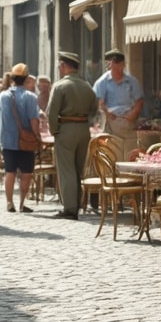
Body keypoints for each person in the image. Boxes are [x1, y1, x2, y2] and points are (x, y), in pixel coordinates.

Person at [46, 50, 98, 220]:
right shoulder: (87, 86)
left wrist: (55, 131)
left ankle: (70, 208)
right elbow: (94, 111)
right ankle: (77, 203)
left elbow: (51, 113)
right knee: (78, 169)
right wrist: (86, 123)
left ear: (63, 66)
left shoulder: (60, 86)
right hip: (83, 129)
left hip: (66, 128)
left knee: (66, 169)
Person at [0, 62, 41, 213]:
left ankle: (9, 203)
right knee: (26, 172)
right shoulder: (30, 97)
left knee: (10, 171)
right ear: (26, 78)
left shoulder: (2, 96)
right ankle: (22, 203)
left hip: (7, 140)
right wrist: (37, 137)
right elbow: (34, 121)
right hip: (26, 141)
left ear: (12, 78)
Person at [94, 49, 143, 138]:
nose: (118, 67)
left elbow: (139, 101)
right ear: (110, 65)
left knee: (129, 149)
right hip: (111, 122)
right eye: (114, 64)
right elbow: (99, 102)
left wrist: (133, 114)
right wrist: (107, 113)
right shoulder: (102, 82)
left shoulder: (132, 81)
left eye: (120, 64)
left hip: (129, 122)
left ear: (123, 64)